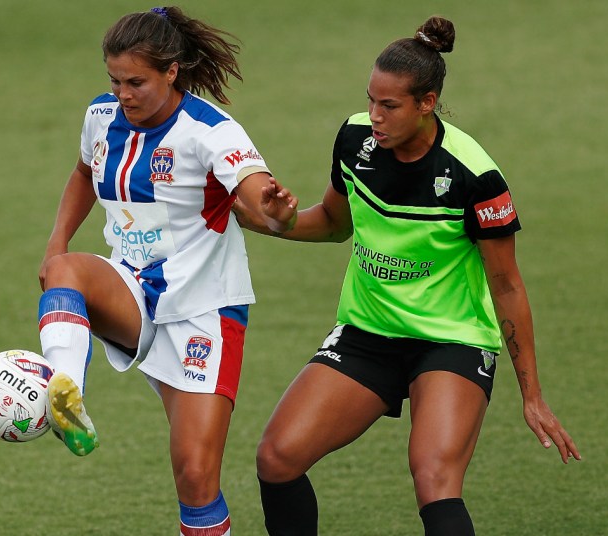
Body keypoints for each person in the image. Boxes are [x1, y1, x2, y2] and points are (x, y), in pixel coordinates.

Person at [237, 15, 581, 535]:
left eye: (390, 106)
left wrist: (532, 395)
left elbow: (507, 285)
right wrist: (276, 223)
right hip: (368, 333)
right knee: (277, 457)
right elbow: (334, 223)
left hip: (450, 340)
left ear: (427, 103)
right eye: (371, 101)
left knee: (434, 479)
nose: (375, 116)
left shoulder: (475, 177)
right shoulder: (355, 140)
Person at [35, 6, 297, 535]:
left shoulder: (211, 131)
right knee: (65, 269)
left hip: (203, 311)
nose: (123, 94)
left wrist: (275, 210)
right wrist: (55, 243)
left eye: (136, 82)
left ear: (171, 72)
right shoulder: (101, 116)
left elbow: (257, 192)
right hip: (131, 290)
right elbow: (84, 172)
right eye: (115, 80)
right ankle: (65, 391)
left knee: (195, 477)